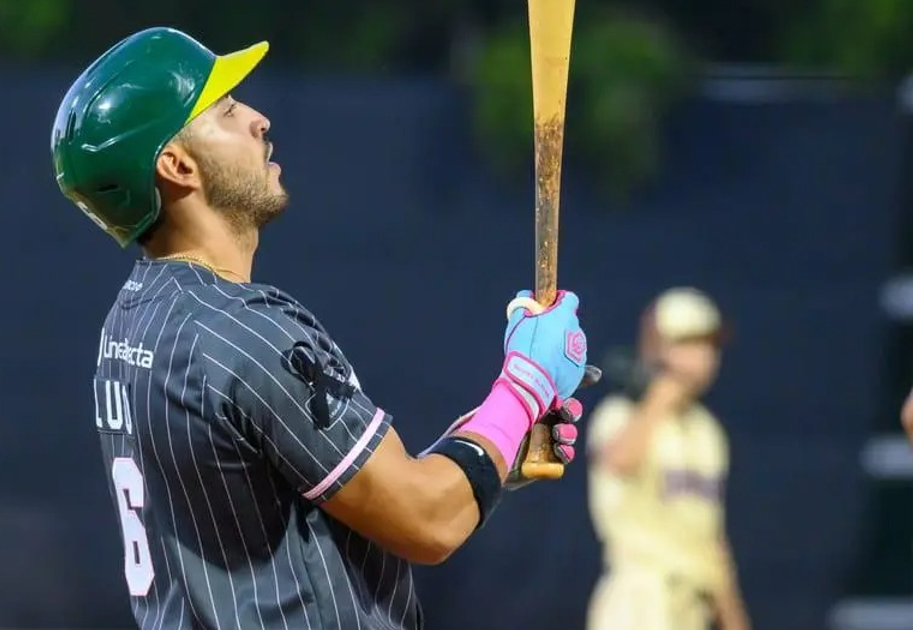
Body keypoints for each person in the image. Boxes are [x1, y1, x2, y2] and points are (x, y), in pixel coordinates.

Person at [50, 26, 598, 630]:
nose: (258, 119)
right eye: (227, 111)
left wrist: (494, 446)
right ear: (177, 165)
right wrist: (523, 385)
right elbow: (427, 520)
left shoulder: (134, 318)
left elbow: (359, 501)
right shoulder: (244, 334)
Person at [584, 287, 750, 630]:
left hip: (693, 603)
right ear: (659, 348)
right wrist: (659, 397)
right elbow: (618, 461)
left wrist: (732, 617)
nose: (705, 356)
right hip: (638, 598)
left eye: (710, 345)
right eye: (690, 343)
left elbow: (711, 535)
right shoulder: (620, 413)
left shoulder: (707, 431)